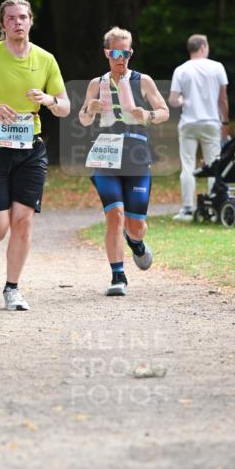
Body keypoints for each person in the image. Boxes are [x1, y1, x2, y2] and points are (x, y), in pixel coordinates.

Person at [0, 0, 70, 312]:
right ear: (3, 24)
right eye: (11, 18)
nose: (18, 22)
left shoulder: (45, 59)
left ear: (31, 21)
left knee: (23, 221)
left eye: (23, 17)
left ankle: (12, 289)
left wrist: (48, 99)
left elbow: (65, 107)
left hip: (30, 150)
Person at [79, 27, 169, 297]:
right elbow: (83, 119)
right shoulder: (97, 84)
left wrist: (149, 115)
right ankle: (118, 275)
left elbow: (164, 111)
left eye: (127, 52)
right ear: (107, 53)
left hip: (137, 155)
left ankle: (136, 243)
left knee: (136, 225)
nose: (122, 58)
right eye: (117, 52)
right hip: (106, 154)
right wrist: (89, 109)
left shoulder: (143, 81)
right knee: (114, 215)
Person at [168, 34, 228, 221]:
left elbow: (172, 100)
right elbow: (223, 98)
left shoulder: (181, 70)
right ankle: (213, 207)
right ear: (202, 47)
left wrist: (182, 100)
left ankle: (187, 208)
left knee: (187, 165)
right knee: (214, 164)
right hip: (211, 122)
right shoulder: (217, 67)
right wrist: (225, 121)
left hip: (189, 123)